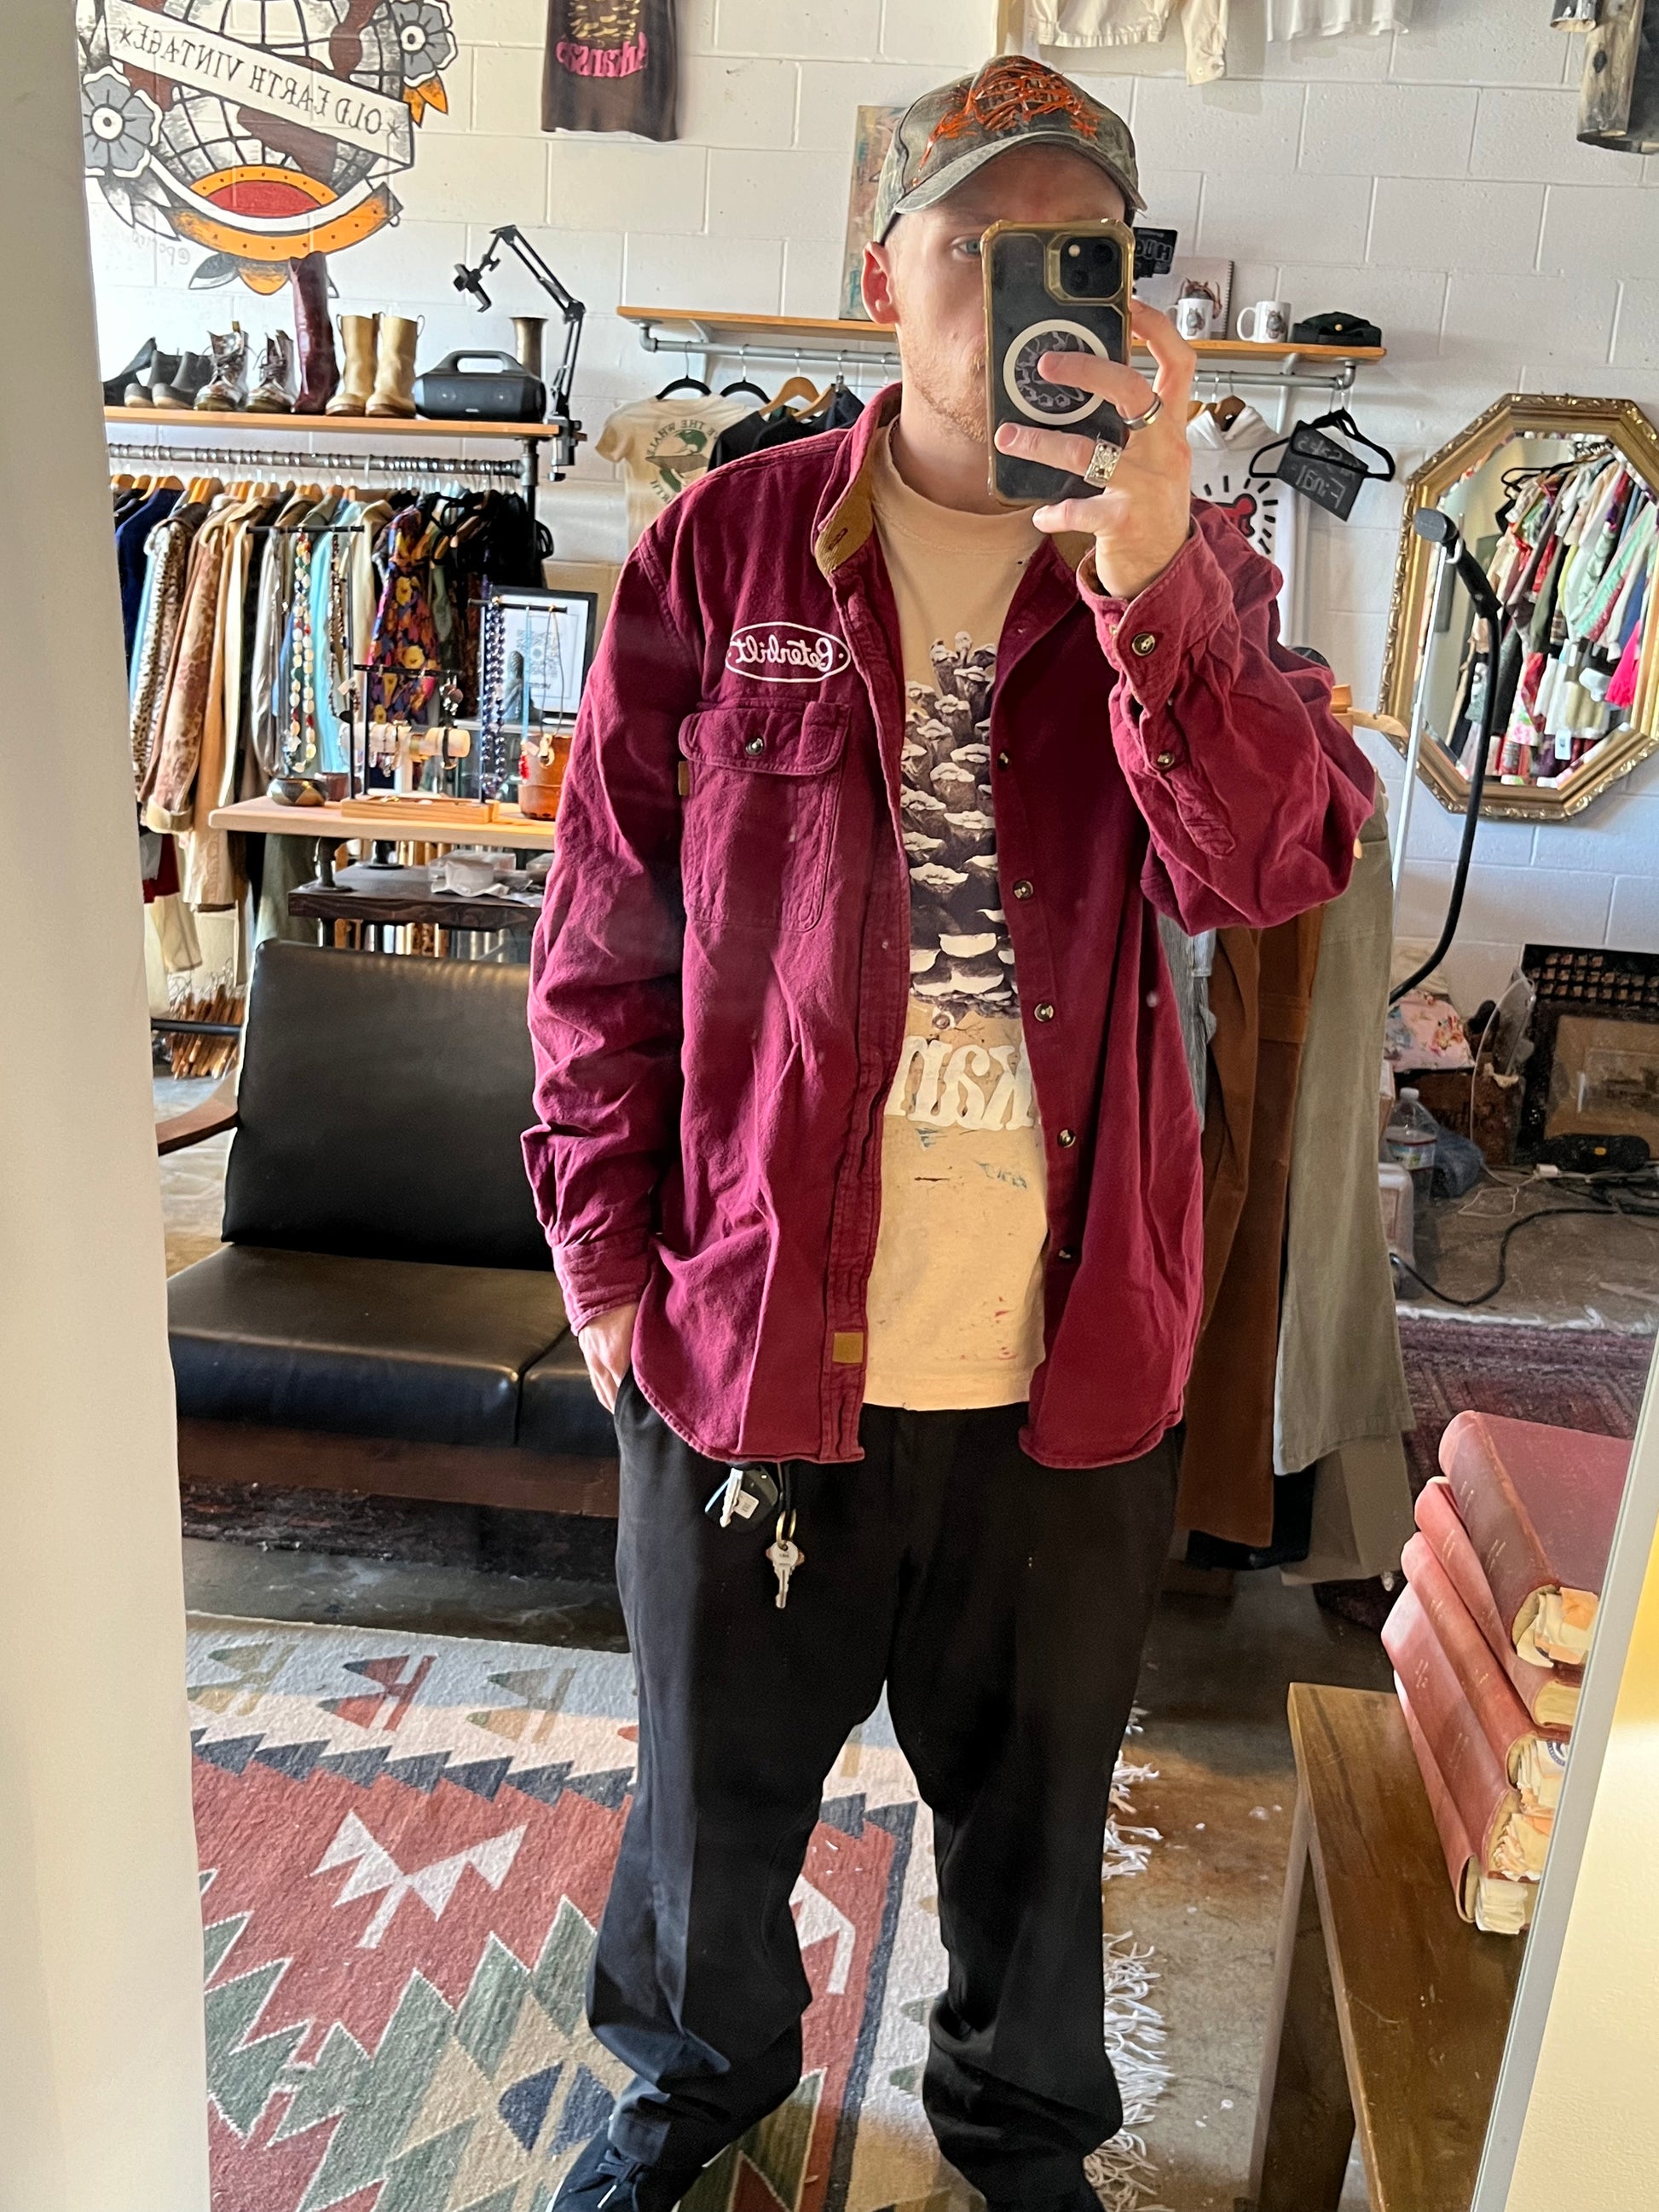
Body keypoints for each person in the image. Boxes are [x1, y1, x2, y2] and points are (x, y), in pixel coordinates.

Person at [524, 54, 1374, 2212]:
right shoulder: (725, 545)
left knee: (1035, 1818)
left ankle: (1016, 2133)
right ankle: (693, 2094)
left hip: (1058, 1353)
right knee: (709, 1805)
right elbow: (603, 929)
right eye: (977, 241)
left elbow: (1274, 861)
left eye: (1074, 246)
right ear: (878, 272)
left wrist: (1155, 579)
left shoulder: (1187, 560)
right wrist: (603, 1259)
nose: (1021, 287)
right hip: (750, 1322)